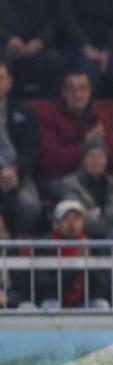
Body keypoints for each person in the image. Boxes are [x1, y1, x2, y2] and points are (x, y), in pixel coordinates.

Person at [36, 70, 113, 187]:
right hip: (61, 177)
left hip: (96, 177)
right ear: (63, 92)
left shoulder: (100, 115)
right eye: (72, 89)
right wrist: (85, 143)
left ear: (90, 91)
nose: (78, 95)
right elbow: (50, 160)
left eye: (83, 89)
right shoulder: (48, 115)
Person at [57, 0, 113, 110]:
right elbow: (66, 16)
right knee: (88, 73)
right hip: (78, 44)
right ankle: (86, 123)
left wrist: (107, 52)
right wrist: (85, 46)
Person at [32, 199, 110, 309]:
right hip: (56, 301)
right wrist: (76, 265)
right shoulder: (45, 248)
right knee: (49, 305)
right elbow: (45, 289)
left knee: (101, 305)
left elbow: (103, 288)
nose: (72, 223)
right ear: (56, 224)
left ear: (83, 222)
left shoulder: (92, 246)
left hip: (83, 302)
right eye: (66, 219)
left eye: (76, 219)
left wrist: (90, 263)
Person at [0, 57, 41, 237]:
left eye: (0, 78)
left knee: (29, 205)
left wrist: (15, 170)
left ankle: (19, 242)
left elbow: (31, 149)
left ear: (9, 82)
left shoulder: (24, 110)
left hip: (18, 174)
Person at [56, 139, 113, 239]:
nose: (97, 161)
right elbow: (77, 218)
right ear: (82, 160)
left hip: (112, 236)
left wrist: (102, 212)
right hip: (81, 237)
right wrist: (111, 217)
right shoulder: (69, 184)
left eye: (101, 156)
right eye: (91, 156)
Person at [0, 0, 66, 98]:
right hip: (5, 47)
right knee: (3, 61)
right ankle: (8, 108)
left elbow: (55, 19)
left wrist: (41, 40)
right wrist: (7, 39)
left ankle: (44, 108)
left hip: (39, 47)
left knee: (54, 60)